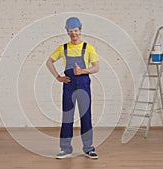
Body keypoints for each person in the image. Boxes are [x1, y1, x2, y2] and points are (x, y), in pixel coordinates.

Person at [46, 17, 99, 159]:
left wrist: (82, 71)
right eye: (70, 31)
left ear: (80, 30)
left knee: (86, 116)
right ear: (67, 32)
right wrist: (58, 77)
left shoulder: (88, 48)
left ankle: (89, 148)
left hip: (83, 84)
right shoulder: (63, 48)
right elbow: (49, 62)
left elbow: (96, 67)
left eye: (76, 30)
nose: (74, 33)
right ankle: (65, 149)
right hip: (69, 85)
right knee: (67, 117)